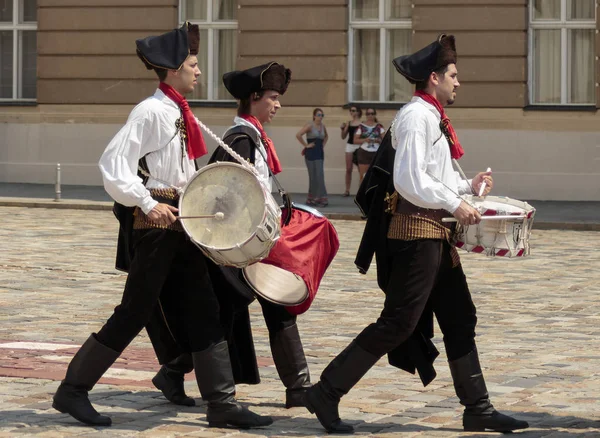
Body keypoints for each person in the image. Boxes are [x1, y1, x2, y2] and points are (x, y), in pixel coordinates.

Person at [304, 34, 529, 434]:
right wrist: (455, 203)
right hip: (416, 233)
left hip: (436, 233)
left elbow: (433, 179)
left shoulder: (432, 116)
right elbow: (409, 181)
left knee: (461, 317)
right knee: (397, 323)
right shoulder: (415, 117)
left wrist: (467, 188)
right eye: (453, 75)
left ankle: (477, 408)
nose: (459, 82)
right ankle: (326, 390)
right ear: (433, 77)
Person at [51, 23, 272, 430]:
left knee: (204, 308)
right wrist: (148, 203)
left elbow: (182, 174)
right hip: (156, 227)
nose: (199, 71)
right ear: (173, 70)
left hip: (181, 223)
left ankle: (221, 403)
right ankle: (73, 390)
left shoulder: (176, 110)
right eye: (193, 64)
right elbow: (113, 165)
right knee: (134, 310)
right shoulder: (150, 111)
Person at [148, 62, 312, 410]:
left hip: (254, 244)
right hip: (240, 247)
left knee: (254, 311)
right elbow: (232, 194)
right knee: (228, 314)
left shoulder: (252, 138)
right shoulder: (241, 140)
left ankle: (297, 387)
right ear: (254, 98)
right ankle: (179, 372)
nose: (277, 104)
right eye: (272, 97)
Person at [296, 108, 329, 207]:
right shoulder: (310, 125)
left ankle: (321, 198)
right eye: (319, 115)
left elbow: (326, 136)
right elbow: (298, 135)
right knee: (313, 176)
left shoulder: (323, 126)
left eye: (322, 115)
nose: (320, 117)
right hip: (310, 153)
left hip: (319, 152)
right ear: (314, 116)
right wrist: (306, 145)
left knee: (319, 175)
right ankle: (313, 198)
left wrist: (323, 144)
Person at [353, 108, 385, 184]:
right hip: (364, 153)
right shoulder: (361, 126)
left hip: (376, 153)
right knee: (363, 176)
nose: (370, 115)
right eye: (368, 114)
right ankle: (362, 195)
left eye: (372, 113)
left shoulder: (379, 127)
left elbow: (384, 141)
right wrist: (365, 140)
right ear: (366, 115)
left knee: (375, 176)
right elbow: (355, 140)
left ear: (375, 115)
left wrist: (378, 140)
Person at [340, 105, 362, 196]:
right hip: (350, 145)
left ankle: (360, 190)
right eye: (351, 111)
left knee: (361, 169)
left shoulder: (362, 124)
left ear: (358, 112)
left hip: (359, 146)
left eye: (353, 110)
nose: (352, 113)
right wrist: (343, 129)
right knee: (348, 169)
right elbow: (343, 137)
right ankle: (347, 190)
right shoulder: (348, 123)